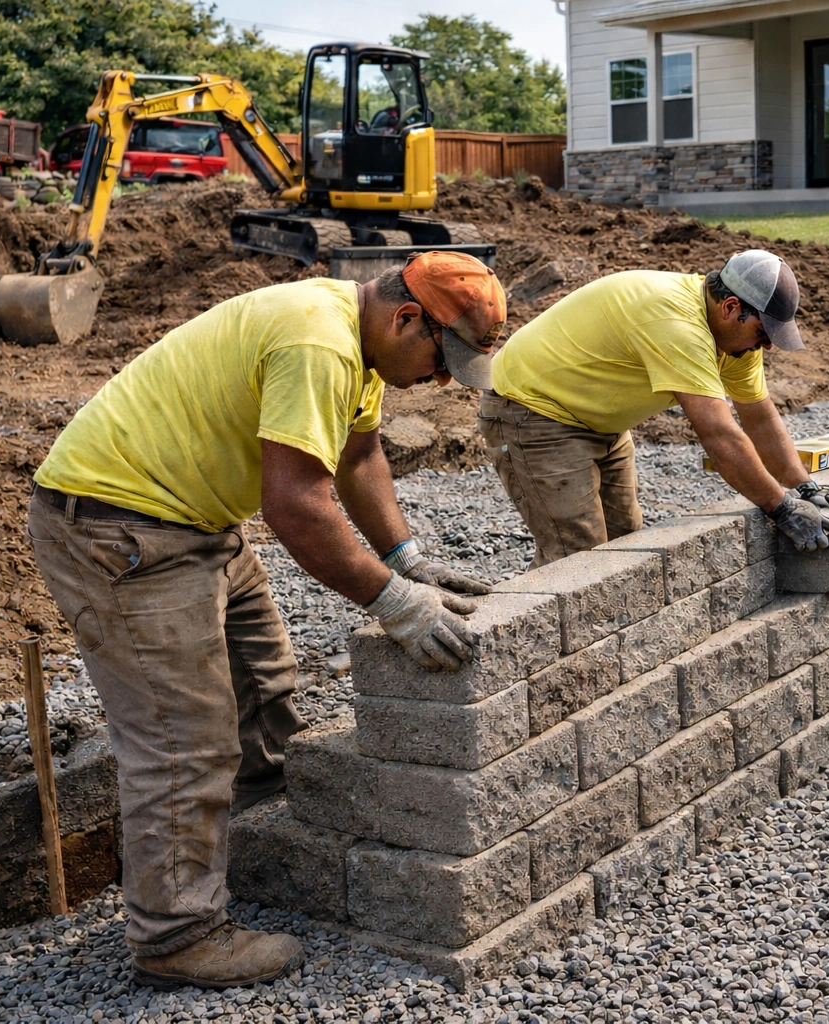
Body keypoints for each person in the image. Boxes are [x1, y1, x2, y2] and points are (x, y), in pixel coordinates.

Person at [26, 252, 505, 989]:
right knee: (185, 739)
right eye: (443, 361)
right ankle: (176, 934)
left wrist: (405, 559)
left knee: (263, 685)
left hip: (191, 519)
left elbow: (360, 455)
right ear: (407, 318)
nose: (442, 381)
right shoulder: (318, 342)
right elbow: (297, 505)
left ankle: (252, 838)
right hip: (120, 527)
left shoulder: (359, 343)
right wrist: (392, 602)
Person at [480, 249, 829, 565]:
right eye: (763, 332)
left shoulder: (736, 339)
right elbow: (719, 435)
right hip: (532, 411)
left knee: (624, 548)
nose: (766, 345)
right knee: (576, 559)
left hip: (600, 423)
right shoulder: (678, 324)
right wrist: (782, 509)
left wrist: (804, 487)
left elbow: (760, 419)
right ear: (731, 307)